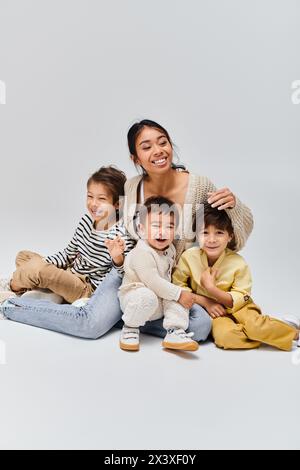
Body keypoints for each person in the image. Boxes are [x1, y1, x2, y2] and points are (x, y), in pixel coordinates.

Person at [0, 119, 253, 339]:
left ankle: (122, 315)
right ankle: (10, 306)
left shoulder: (198, 185)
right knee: (91, 325)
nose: (158, 150)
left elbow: (231, 237)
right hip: (129, 275)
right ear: (136, 158)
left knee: (200, 327)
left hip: (169, 282)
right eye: (147, 146)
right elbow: (109, 226)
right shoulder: (133, 187)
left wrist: (233, 206)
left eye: (162, 142)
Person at [172, 205, 300, 350]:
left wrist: (212, 289)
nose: (211, 239)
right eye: (205, 233)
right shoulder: (189, 257)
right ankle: (271, 330)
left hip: (240, 308)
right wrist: (206, 302)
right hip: (215, 314)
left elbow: (240, 295)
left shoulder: (238, 263)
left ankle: (295, 334)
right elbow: (178, 286)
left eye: (219, 233)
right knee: (226, 338)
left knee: (255, 326)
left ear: (230, 236)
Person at [119, 196, 201, 352]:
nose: (162, 232)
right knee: (151, 296)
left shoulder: (170, 249)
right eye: (156, 225)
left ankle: (174, 330)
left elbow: (168, 280)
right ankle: (130, 326)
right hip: (135, 299)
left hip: (159, 300)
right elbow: (153, 281)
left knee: (179, 296)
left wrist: (180, 294)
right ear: (142, 229)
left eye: (169, 227)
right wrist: (178, 294)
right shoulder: (141, 252)